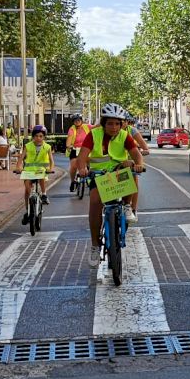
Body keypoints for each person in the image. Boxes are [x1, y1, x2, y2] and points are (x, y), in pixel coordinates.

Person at [75, 103, 147, 267]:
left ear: (121, 124)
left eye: (117, 123)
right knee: (95, 203)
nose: (113, 127)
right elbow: (82, 156)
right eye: (110, 123)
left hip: (118, 172)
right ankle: (95, 245)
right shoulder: (94, 134)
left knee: (131, 172)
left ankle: (127, 207)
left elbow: (136, 155)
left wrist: (139, 164)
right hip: (99, 175)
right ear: (103, 123)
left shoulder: (125, 136)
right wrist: (82, 168)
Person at [15, 124, 56, 225]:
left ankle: (44, 194)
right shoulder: (28, 146)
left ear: (44, 137)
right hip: (28, 170)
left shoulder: (47, 147)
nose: (38, 138)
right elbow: (21, 158)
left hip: (41, 170)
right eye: (36, 136)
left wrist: (50, 169)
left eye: (41, 136)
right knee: (27, 191)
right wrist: (18, 167)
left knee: (41, 175)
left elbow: (51, 161)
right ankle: (28, 210)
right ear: (33, 136)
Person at [125, 115, 151, 223]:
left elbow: (144, 146)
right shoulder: (108, 132)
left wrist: (144, 151)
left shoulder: (132, 131)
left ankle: (133, 209)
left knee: (134, 179)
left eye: (124, 121)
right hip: (115, 163)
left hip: (131, 161)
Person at [66, 115, 92, 192]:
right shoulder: (72, 129)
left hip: (86, 149)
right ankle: (72, 181)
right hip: (75, 149)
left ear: (81, 121)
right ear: (73, 122)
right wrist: (69, 146)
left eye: (78, 120)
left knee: (90, 163)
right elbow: (68, 141)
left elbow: (97, 127)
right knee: (74, 166)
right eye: (75, 121)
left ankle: (90, 177)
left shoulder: (87, 127)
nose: (77, 122)